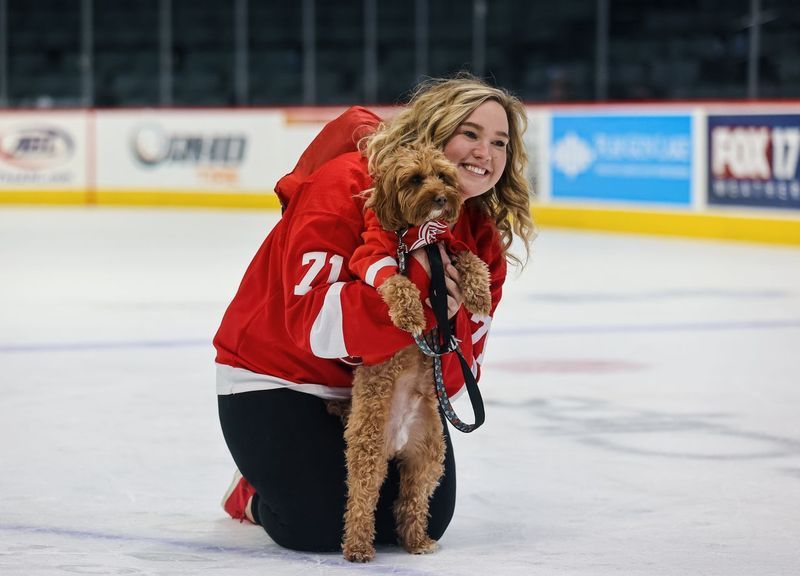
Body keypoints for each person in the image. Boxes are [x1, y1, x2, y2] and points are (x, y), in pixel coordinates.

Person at [214, 73, 535, 553]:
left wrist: (442, 334)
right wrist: (419, 306)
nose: (484, 152)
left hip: (381, 387)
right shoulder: (345, 181)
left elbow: (452, 376)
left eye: (499, 142)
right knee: (318, 526)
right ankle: (255, 491)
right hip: (282, 377)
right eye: (469, 132)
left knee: (422, 519)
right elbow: (312, 327)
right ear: (431, 130)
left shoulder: (478, 237)